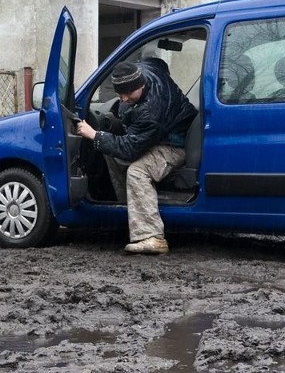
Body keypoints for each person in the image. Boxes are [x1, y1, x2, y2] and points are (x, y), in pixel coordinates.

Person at [76, 59, 197, 254]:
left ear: (141, 85)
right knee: (110, 153)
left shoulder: (150, 111)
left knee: (137, 171)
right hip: (158, 136)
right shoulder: (145, 70)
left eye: (128, 93)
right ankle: (133, 214)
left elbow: (130, 150)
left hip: (174, 144)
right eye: (119, 93)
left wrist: (95, 135)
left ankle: (152, 237)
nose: (123, 99)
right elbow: (157, 62)